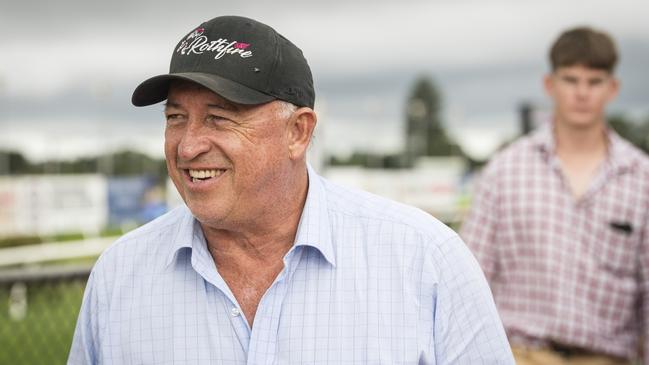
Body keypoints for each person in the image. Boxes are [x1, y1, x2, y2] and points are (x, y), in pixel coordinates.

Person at [68, 15, 513, 364]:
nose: (188, 145)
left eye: (220, 118)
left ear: (298, 133)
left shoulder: (424, 259)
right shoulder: (118, 275)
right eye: (175, 118)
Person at [460, 26, 649, 365]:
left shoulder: (641, 178)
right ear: (550, 85)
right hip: (517, 354)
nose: (582, 93)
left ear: (613, 88)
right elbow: (470, 277)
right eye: (571, 80)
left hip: (604, 357)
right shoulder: (505, 171)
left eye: (594, 82)